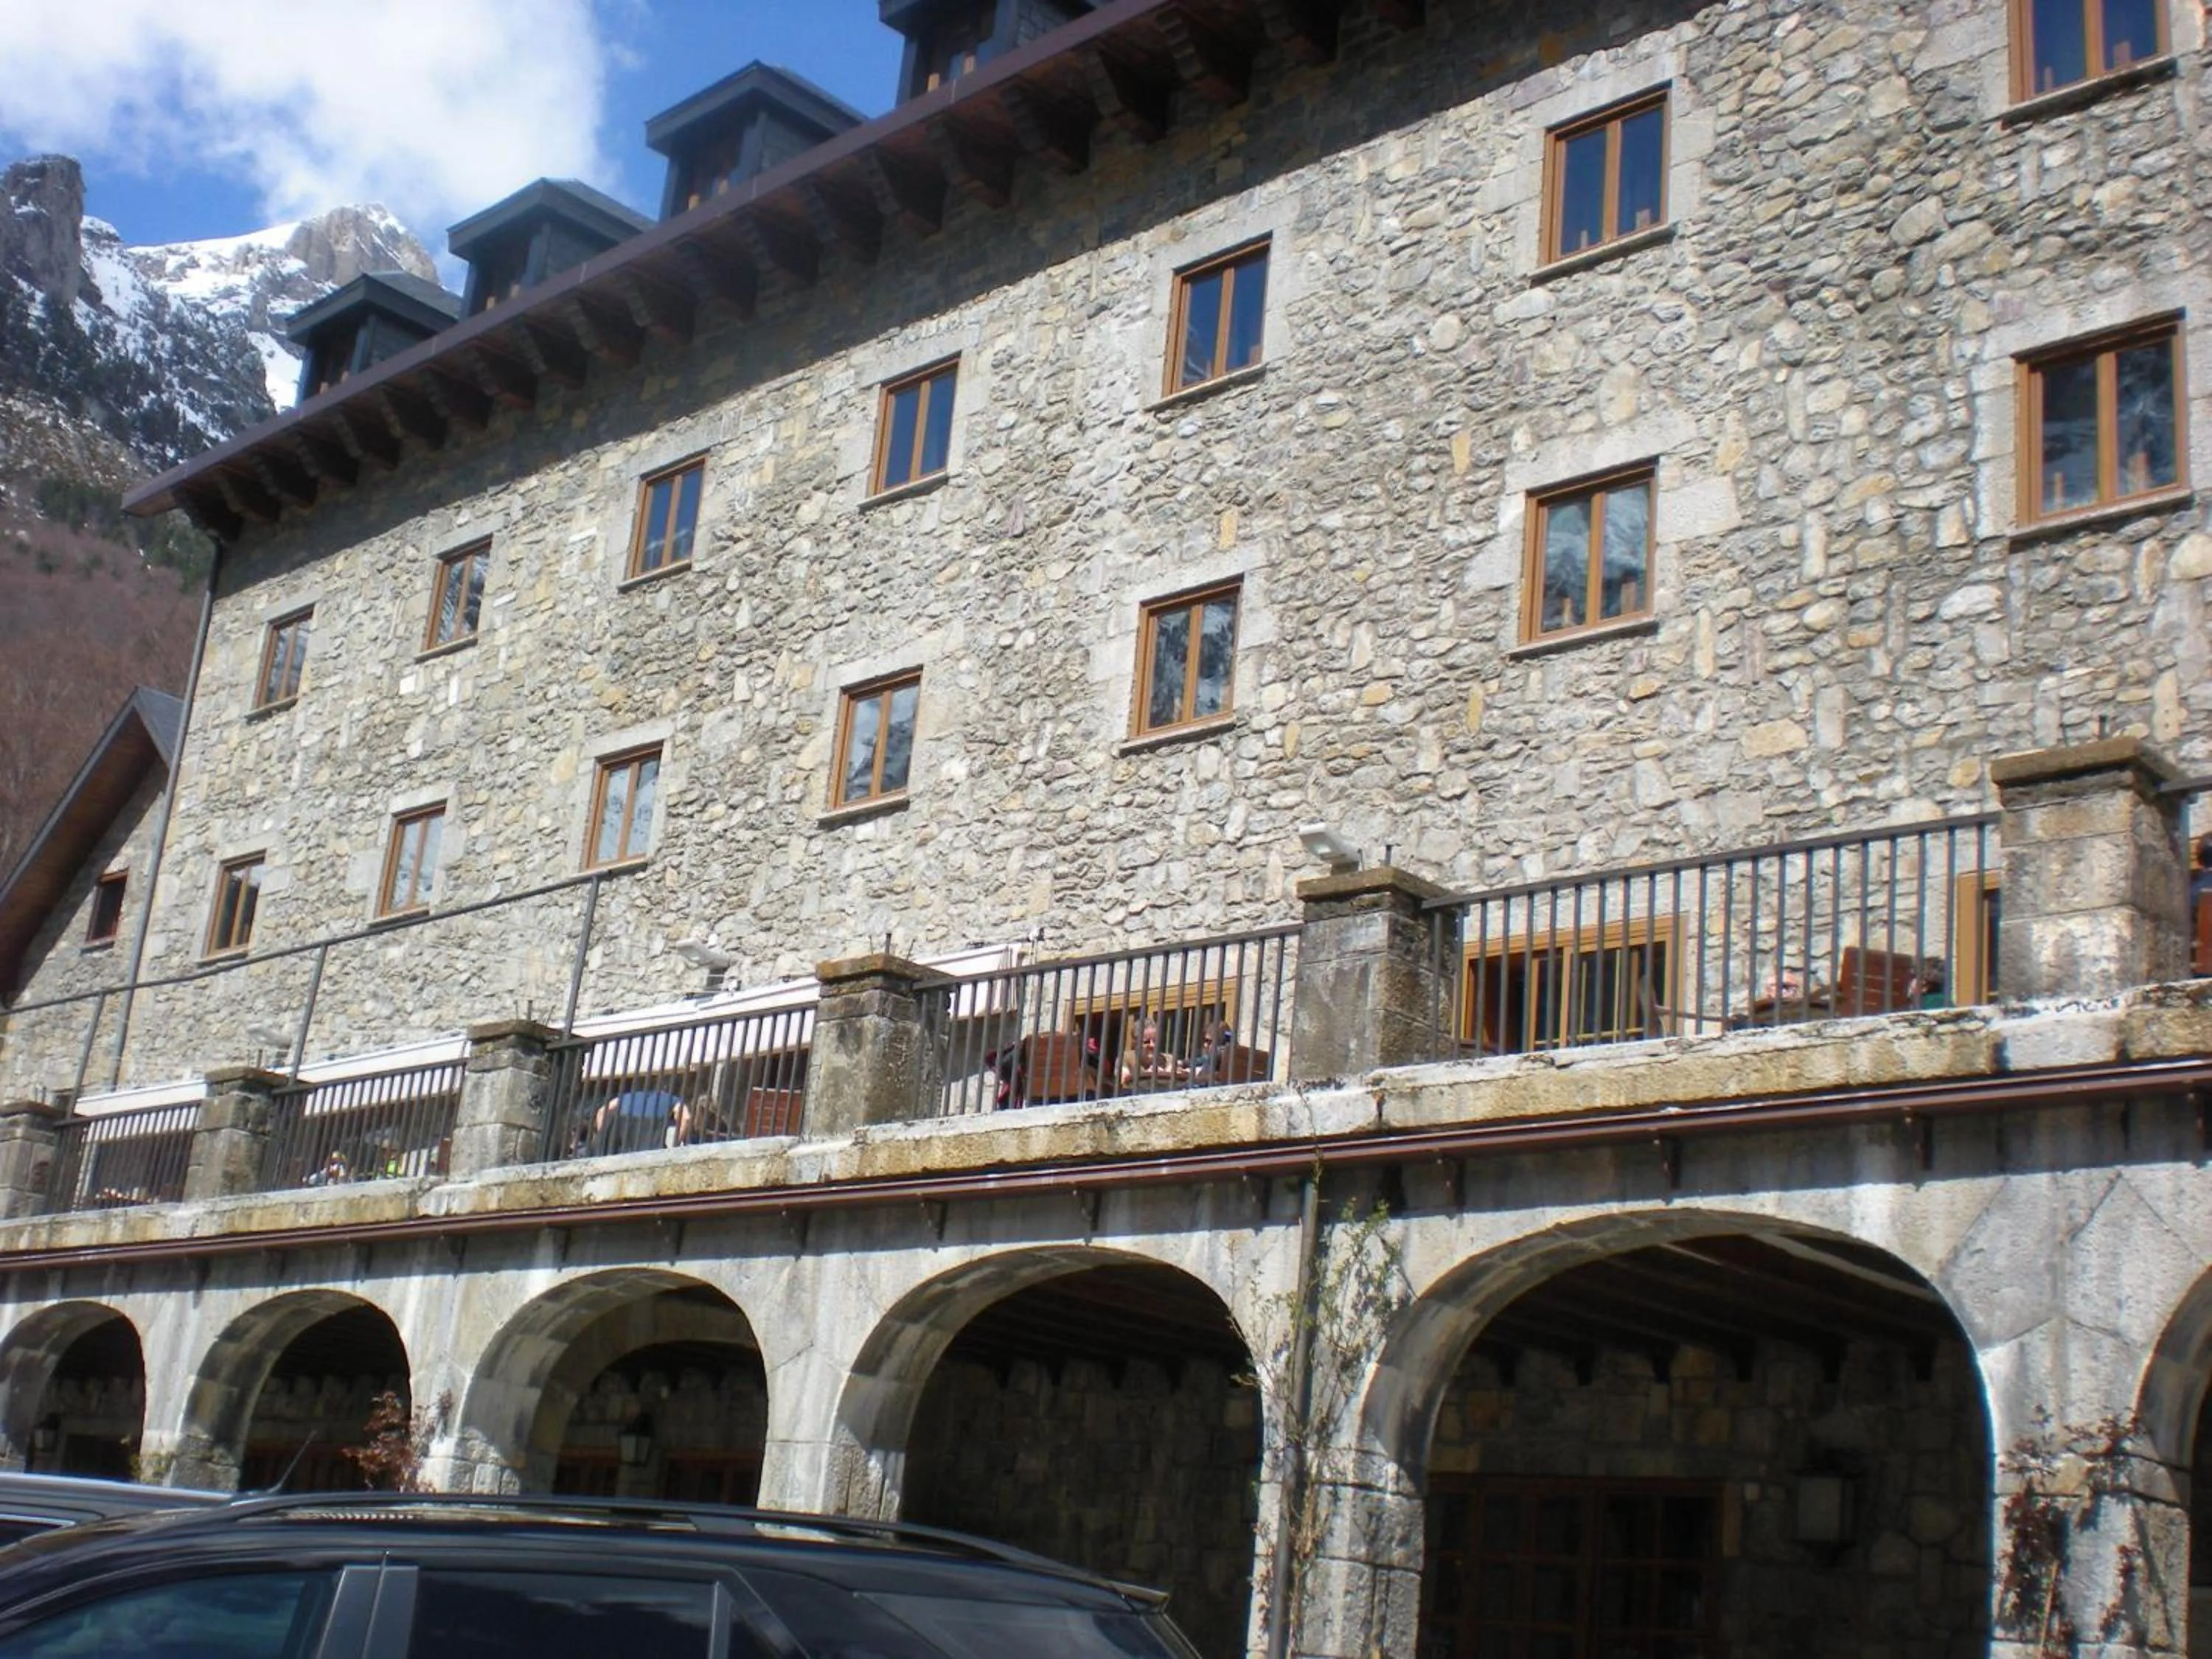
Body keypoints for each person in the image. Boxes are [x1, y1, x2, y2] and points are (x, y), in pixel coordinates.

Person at [584, 1088, 686, 1155]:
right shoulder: (671, 1099)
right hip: (652, 1152)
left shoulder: (627, 1097)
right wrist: (675, 1143)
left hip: (624, 1152)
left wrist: (603, 1136)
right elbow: (686, 1117)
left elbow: (602, 1111)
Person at [1119, 1017, 1186, 1092]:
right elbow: (1124, 1080)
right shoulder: (1126, 1058)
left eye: (1155, 1041)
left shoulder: (1168, 1059)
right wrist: (1148, 1074)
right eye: (1146, 1042)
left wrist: (1167, 1073)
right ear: (1135, 1043)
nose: (1152, 1045)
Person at [1186, 1020, 1238, 1086]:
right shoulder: (1234, 1055)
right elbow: (1204, 1059)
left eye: (1209, 1041)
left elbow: (1200, 1081)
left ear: (1221, 1041)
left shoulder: (1218, 1053)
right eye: (1205, 1041)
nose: (1205, 1045)